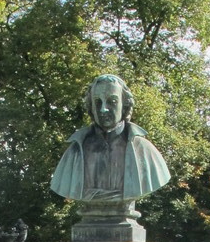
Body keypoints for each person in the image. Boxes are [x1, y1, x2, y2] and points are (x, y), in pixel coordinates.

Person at [51, 75, 170, 205]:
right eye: (97, 102)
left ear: (125, 105)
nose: (103, 109)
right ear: (91, 107)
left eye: (112, 101)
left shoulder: (144, 151)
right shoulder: (75, 152)